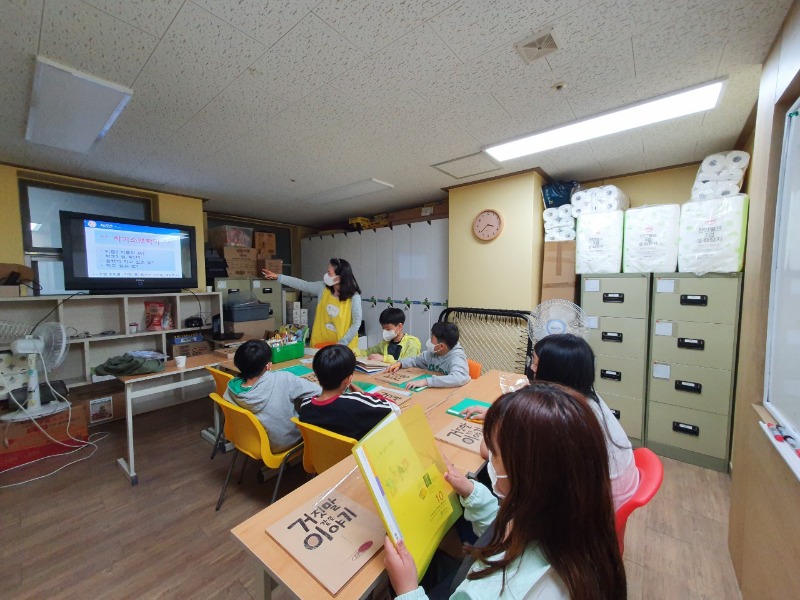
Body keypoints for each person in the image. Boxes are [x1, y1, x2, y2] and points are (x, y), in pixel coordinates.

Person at [384, 383, 627, 599]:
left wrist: (407, 591)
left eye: (495, 454)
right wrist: (471, 491)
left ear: (525, 477)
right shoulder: (577, 526)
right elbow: (507, 534)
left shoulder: (487, 593)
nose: (490, 461)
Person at [224, 339, 321, 453]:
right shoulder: (283, 378)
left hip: (249, 441)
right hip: (283, 442)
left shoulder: (231, 388)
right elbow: (318, 391)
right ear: (268, 366)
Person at [298, 344, 400, 440]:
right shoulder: (356, 403)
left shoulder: (305, 405)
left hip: (324, 456)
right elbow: (395, 409)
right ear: (348, 380)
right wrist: (363, 394)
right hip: (352, 457)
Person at [262, 257, 362, 351]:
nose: (326, 276)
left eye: (329, 273)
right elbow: (302, 284)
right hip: (321, 344)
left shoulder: (354, 297)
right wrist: (278, 277)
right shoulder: (323, 288)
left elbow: (356, 323)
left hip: (344, 347)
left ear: (338, 278)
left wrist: (343, 342)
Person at [386, 322, 470, 389]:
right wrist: (401, 363)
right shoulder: (432, 353)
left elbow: (458, 378)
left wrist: (426, 382)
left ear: (441, 346)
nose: (429, 340)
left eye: (432, 338)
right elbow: (415, 360)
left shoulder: (457, 357)